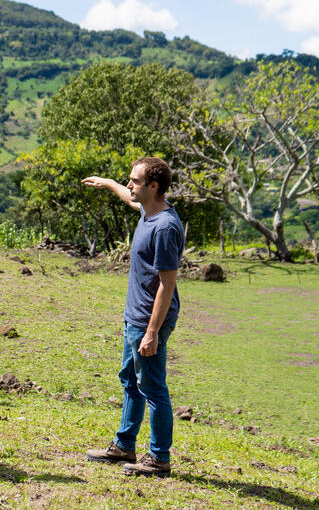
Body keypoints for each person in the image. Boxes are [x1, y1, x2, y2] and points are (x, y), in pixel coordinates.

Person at [82, 157, 185, 478]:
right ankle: (124, 445)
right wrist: (108, 183)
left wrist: (152, 331)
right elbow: (130, 200)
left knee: (153, 388)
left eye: (134, 181)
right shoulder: (149, 210)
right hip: (135, 315)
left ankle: (159, 458)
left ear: (154, 187)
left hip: (150, 320)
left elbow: (168, 284)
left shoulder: (166, 226)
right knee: (130, 381)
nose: (129, 186)